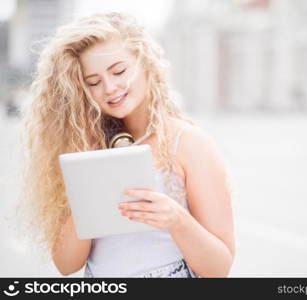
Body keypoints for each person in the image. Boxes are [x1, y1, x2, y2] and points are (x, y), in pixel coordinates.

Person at [19, 12, 235, 278]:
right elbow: (66, 265)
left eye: (119, 71)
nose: (110, 87)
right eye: (94, 82)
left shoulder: (187, 143)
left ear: (145, 64)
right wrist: (86, 199)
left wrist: (177, 220)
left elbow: (219, 268)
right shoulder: (83, 148)